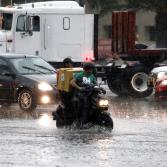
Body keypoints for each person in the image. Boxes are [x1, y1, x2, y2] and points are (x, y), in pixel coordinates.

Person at [70, 62, 97, 126]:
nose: (90, 71)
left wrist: (99, 89)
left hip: (90, 94)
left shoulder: (92, 76)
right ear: (85, 69)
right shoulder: (79, 75)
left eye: (91, 69)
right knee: (82, 103)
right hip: (80, 93)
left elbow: (95, 85)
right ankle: (78, 119)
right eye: (88, 69)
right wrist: (79, 88)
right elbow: (71, 82)